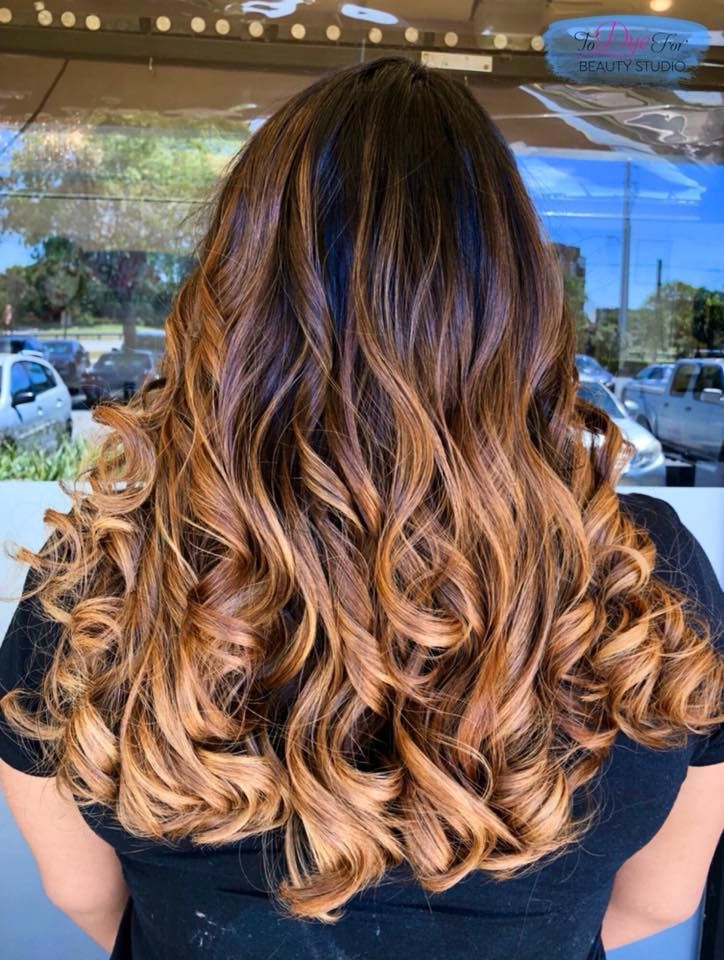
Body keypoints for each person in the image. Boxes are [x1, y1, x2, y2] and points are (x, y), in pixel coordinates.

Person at [0, 56, 722, 960]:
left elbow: (83, 892)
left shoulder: (108, 569)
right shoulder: (641, 570)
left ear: (235, 300)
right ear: (514, 310)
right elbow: (662, 899)